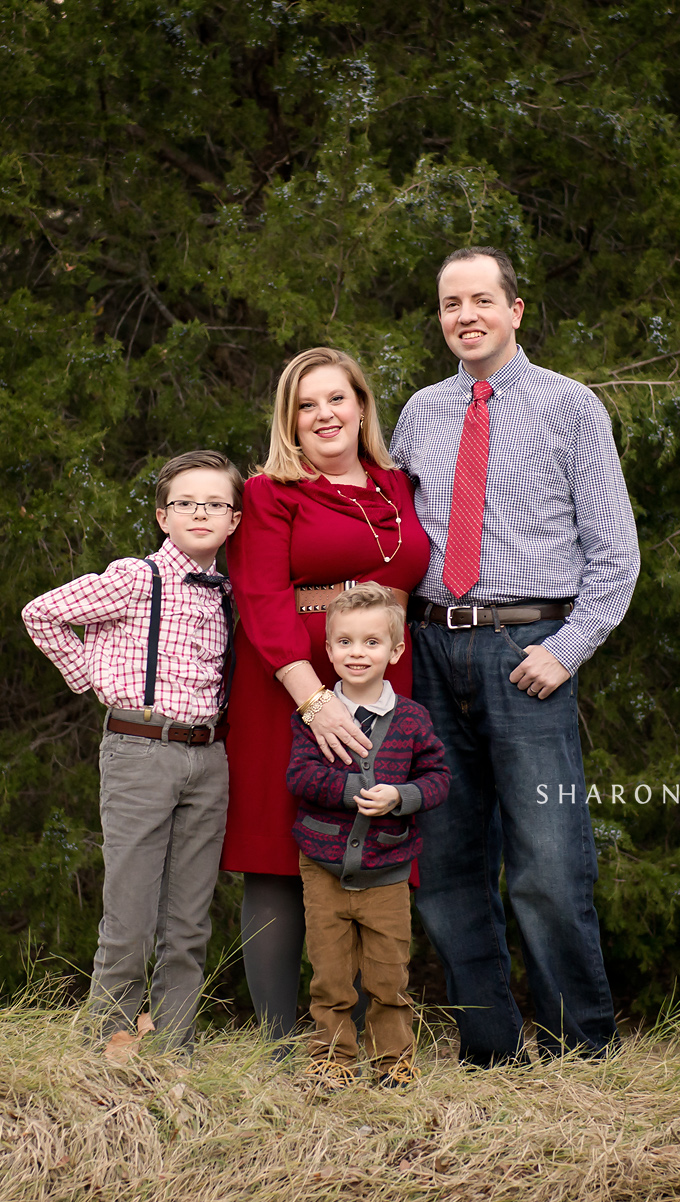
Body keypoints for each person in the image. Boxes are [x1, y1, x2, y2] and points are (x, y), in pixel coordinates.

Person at [389, 246, 640, 1064]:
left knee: (549, 870)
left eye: (481, 300)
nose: (466, 316)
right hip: (429, 653)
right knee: (451, 867)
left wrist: (564, 651)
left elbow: (616, 559)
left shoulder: (572, 409)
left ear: (516, 309)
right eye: (450, 304)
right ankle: (489, 1052)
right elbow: (395, 535)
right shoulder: (421, 412)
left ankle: (581, 1052)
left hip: (528, 656)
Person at [223, 347, 432, 1042]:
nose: (323, 415)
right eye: (305, 405)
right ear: (290, 421)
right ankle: (285, 1044)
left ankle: (367, 1039)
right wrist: (313, 700)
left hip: (382, 677)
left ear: (362, 406)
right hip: (288, 682)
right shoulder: (269, 492)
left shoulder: (395, 486)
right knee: (280, 856)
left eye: (335, 399)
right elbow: (259, 594)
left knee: (373, 844)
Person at [20, 449, 243, 1061]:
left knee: (189, 919)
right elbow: (41, 614)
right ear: (161, 516)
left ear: (234, 521)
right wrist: (94, 677)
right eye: (185, 503)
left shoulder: (228, 592)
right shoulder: (133, 578)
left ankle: (175, 1048)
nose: (200, 512)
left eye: (215, 504)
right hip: (141, 751)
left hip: (208, 756)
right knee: (130, 914)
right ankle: (107, 1042)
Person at [285, 584, 450, 1088]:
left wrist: (400, 797)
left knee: (388, 976)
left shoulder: (413, 719)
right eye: (346, 642)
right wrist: (357, 788)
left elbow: (439, 777)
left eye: (372, 642)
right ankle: (331, 1062)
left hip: (387, 872)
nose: (358, 653)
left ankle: (394, 1063)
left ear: (396, 651)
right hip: (324, 869)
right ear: (329, 650)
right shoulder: (312, 719)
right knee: (330, 977)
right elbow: (302, 778)